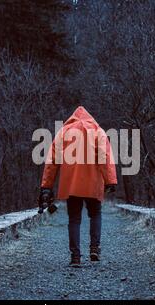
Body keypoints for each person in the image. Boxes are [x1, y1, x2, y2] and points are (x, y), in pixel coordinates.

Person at [39, 106, 117, 267]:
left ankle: (75, 257)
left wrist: (47, 185)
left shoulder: (63, 132)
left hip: (71, 185)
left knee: (74, 219)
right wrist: (110, 180)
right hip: (93, 183)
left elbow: (52, 161)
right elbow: (105, 157)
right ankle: (94, 248)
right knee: (95, 214)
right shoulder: (98, 131)